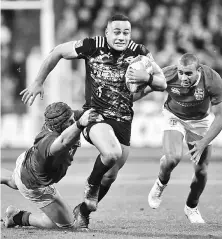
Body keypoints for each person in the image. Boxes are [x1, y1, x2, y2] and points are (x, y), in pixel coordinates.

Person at [19, 13, 167, 229]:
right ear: (107, 33)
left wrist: (148, 79)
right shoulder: (92, 46)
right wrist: (38, 81)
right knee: (111, 153)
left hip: (124, 120)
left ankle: (84, 210)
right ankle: (91, 184)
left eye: (126, 32)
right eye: (116, 32)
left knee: (112, 174)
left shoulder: (140, 53)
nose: (121, 37)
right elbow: (59, 51)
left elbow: (162, 83)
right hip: (95, 116)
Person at [134, 53, 222, 223]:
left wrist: (203, 143)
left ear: (198, 70)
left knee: (202, 171)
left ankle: (191, 207)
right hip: (174, 116)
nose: (183, 77)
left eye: (188, 73)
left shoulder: (212, 79)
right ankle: (160, 184)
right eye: (181, 72)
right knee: (172, 159)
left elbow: (221, 117)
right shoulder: (168, 74)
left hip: (200, 121)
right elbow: (143, 91)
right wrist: (124, 98)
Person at [1, 102, 101, 230]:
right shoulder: (49, 142)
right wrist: (80, 123)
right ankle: (16, 217)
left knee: (15, 180)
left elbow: (84, 114)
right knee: (67, 224)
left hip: (27, 164)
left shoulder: (61, 120)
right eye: (70, 121)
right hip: (34, 184)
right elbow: (64, 142)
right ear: (60, 126)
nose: (73, 121)